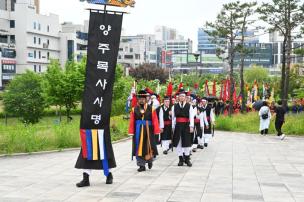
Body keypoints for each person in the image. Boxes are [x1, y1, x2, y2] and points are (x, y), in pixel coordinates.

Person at [128, 90, 160, 172]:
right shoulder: (134, 109)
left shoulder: (151, 109)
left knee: (148, 147)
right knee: (138, 147)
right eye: (140, 99)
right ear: (138, 99)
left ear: (146, 99)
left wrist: (156, 130)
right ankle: (141, 165)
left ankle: (149, 161)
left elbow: (155, 120)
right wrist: (131, 132)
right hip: (138, 131)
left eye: (143, 99)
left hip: (148, 131)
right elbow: (132, 121)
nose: (141, 100)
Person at [172, 89, 195, 167]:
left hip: (186, 125)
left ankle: (187, 159)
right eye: (180, 96)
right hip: (178, 126)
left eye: (183, 96)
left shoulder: (189, 106)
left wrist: (191, 126)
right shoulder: (174, 106)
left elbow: (191, 117)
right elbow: (173, 118)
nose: (182, 97)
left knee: (187, 142)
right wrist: (173, 127)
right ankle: (180, 159)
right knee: (179, 142)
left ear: (185, 98)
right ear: (178, 97)